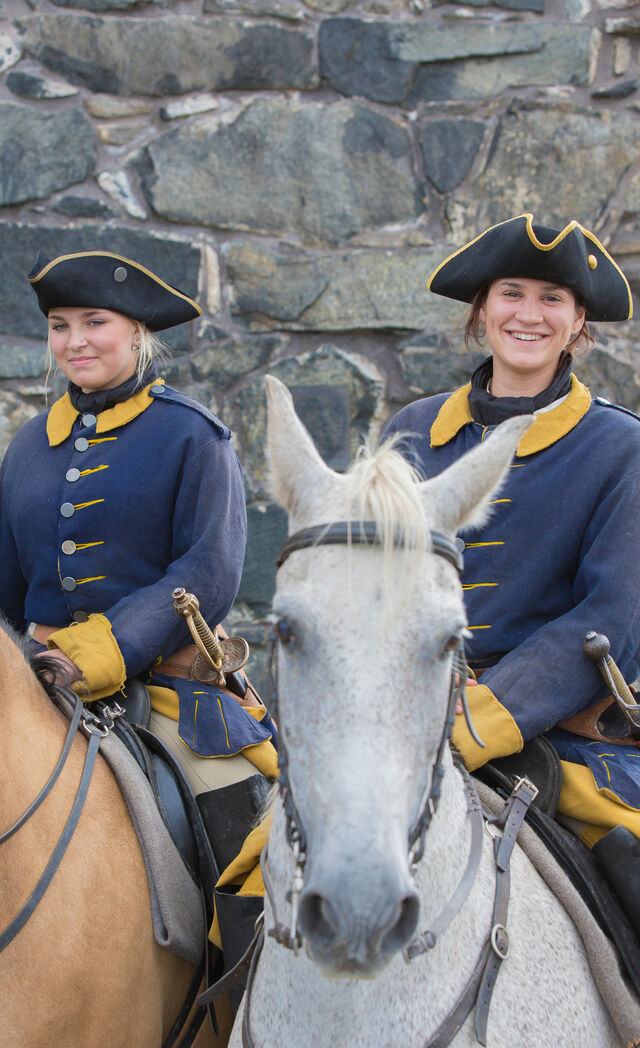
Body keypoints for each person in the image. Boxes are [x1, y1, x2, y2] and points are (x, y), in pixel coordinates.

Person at [383, 213, 640, 932]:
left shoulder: (622, 447)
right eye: (512, 293)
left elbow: (612, 618)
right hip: (403, 721)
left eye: (552, 299)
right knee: (259, 869)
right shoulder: (410, 431)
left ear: (578, 320)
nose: (529, 314)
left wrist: (479, 717)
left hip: (557, 733)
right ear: (483, 309)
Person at [0, 249, 278, 865]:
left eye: (94, 322)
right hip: (34, 680)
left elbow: (207, 573)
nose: (75, 341)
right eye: (60, 326)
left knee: (247, 826)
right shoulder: (27, 445)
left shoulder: (194, 436)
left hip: (162, 687)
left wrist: (90, 654)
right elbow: (6, 588)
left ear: (136, 331)